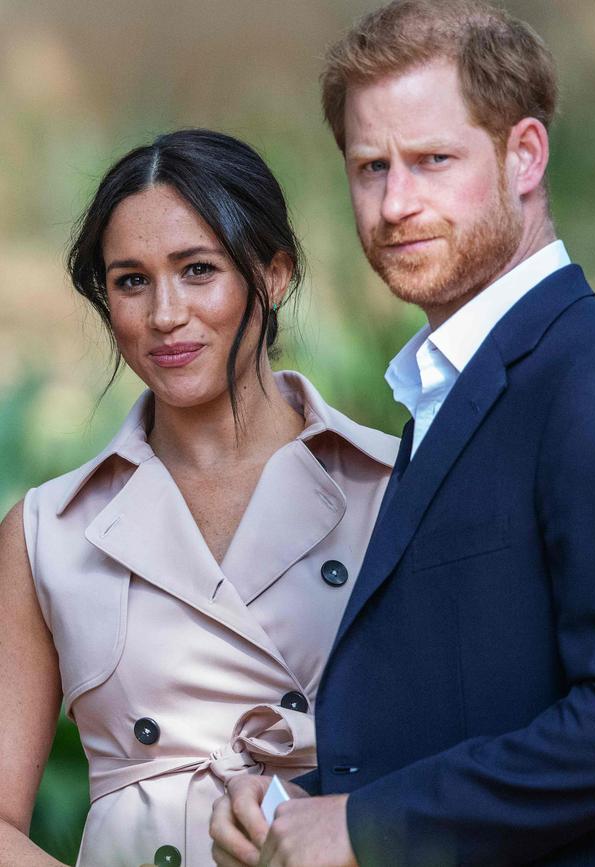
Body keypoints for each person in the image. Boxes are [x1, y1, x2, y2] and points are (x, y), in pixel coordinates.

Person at [210, 1, 595, 865]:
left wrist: (369, 826)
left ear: (524, 154)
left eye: (432, 160)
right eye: (370, 167)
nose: (395, 203)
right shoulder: (448, 386)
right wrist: (301, 808)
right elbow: (475, 696)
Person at [0, 128, 399, 867]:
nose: (165, 314)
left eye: (197, 270)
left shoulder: (393, 487)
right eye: (131, 280)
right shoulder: (47, 532)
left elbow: (470, 762)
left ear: (273, 275)